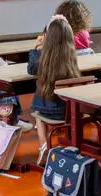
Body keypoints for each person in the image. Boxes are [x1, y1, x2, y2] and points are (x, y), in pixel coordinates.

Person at [28, 15, 82, 165]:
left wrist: (35, 49)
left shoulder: (44, 59)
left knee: (36, 112)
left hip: (51, 112)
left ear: (48, 38)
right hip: (70, 110)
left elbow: (31, 69)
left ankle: (44, 145)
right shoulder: (71, 58)